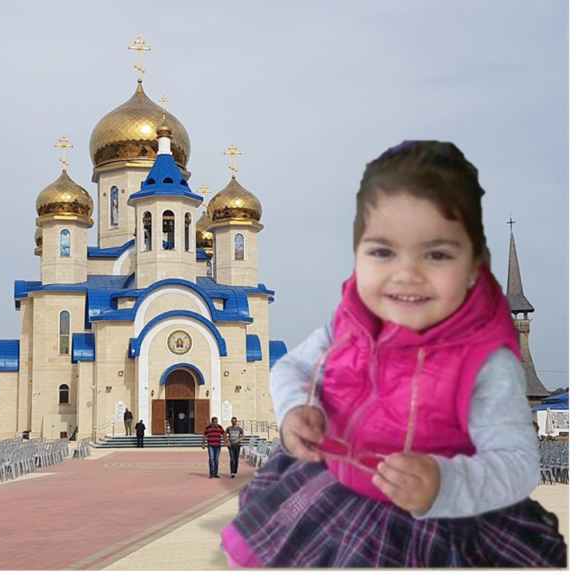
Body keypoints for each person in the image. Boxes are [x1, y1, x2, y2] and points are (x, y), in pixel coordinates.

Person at [221, 141, 567, 569]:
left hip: (437, 517)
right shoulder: (350, 323)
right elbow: (292, 366)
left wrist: (445, 482)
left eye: (436, 254)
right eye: (383, 251)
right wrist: (295, 410)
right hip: (336, 491)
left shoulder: (485, 359)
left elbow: (516, 462)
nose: (406, 273)